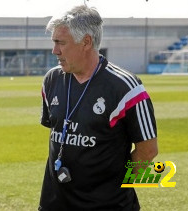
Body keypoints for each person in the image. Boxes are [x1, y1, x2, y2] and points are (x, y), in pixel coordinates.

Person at [39, 5, 158, 211]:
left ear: (86, 42)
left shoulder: (124, 86)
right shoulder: (52, 79)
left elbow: (148, 151)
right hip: (54, 203)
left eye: (61, 43)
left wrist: (115, 188)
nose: (54, 50)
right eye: (54, 42)